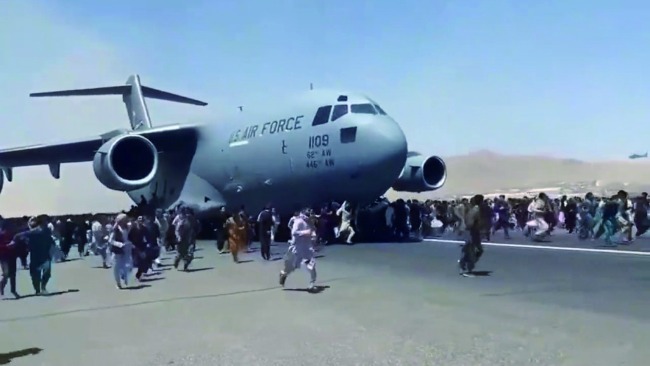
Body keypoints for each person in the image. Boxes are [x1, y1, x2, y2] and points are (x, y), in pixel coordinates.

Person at [15, 216, 55, 295]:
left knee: (36, 274)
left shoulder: (33, 232)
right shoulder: (44, 230)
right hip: (43, 255)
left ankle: (39, 289)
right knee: (44, 273)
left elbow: (18, 236)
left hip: (37, 256)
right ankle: (42, 288)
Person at [279, 209, 317, 291]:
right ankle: (283, 274)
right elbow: (294, 232)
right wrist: (305, 232)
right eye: (311, 216)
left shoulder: (311, 222)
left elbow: (313, 232)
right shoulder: (299, 221)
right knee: (292, 267)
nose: (312, 218)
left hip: (307, 249)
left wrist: (314, 236)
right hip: (296, 248)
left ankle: (311, 283)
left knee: (311, 266)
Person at [110, 214, 133, 289]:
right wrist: (120, 244)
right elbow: (111, 240)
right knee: (117, 267)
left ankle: (123, 275)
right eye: (125, 219)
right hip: (117, 250)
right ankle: (118, 283)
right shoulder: (115, 229)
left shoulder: (127, 227)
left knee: (129, 265)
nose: (126, 220)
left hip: (126, 248)